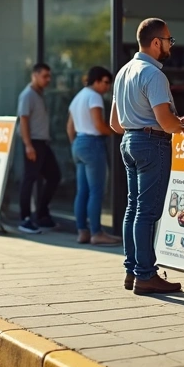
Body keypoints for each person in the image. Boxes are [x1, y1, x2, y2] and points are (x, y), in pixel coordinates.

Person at [109, 18, 184, 295]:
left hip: (129, 142)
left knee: (133, 208)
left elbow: (115, 124)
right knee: (146, 212)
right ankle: (146, 276)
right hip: (151, 144)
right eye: (169, 40)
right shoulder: (154, 74)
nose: (170, 45)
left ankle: (132, 271)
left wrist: (162, 122)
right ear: (156, 42)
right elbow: (165, 123)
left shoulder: (123, 72)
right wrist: (179, 125)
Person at [66, 66, 121, 246]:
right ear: (96, 81)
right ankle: (96, 233)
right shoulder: (94, 97)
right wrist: (117, 131)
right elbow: (99, 125)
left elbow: (69, 127)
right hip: (92, 144)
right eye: (105, 82)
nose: (107, 87)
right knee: (96, 191)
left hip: (79, 143)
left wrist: (76, 144)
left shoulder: (77, 97)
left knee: (82, 191)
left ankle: (82, 231)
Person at [16, 63, 60, 235]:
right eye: (44, 76)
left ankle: (41, 214)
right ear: (34, 75)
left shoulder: (40, 94)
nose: (48, 79)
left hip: (43, 142)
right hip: (33, 142)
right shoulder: (27, 95)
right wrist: (28, 145)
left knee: (54, 176)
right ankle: (25, 218)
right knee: (30, 178)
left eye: (49, 76)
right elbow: (23, 120)